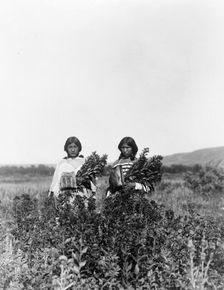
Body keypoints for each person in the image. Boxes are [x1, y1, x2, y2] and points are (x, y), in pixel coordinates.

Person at [49, 136, 96, 203]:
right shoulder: (62, 162)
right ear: (66, 148)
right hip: (65, 196)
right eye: (70, 147)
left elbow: (93, 181)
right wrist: (52, 195)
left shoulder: (85, 162)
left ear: (79, 148)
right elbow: (55, 181)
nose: (73, 150)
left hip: (83, 195)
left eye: (75, 147)